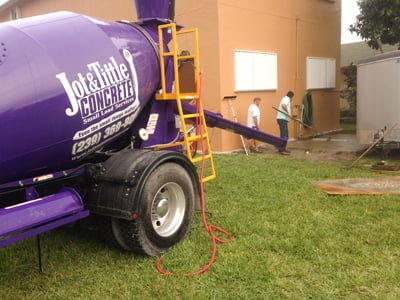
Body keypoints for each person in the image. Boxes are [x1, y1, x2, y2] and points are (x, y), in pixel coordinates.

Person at [276, 91, 294, 155]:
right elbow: (283, 106)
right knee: (284, 135)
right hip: (282, 119)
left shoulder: (285, 98)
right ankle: (281, 150)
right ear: (291, 96)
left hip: (282, 119)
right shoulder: (287, 99)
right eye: (292, 98)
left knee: (285, 134)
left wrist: (289, 116)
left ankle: (283, 148)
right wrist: (288, 113)